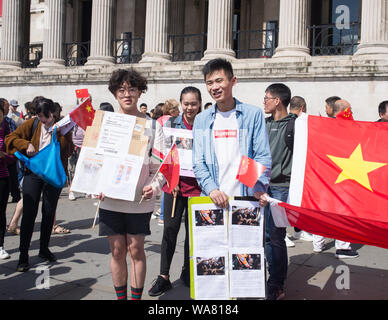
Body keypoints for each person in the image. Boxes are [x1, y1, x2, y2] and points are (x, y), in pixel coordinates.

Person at [192, 58, 271, 286]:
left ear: (232, 81)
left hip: (245, 200)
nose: (214, 87)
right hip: (214, 200)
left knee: (247, 260)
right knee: (214, 262)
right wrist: (212, 188)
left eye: (219, 80)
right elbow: (199, 162)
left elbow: (262, 155)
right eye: (209, 83)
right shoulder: (202, 119)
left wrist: (256, 188)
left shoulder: (252, 114)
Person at [98, 69, 164, 300]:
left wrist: (153, 187)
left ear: (140, 91)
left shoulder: (153, 126)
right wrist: (93, 185)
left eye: (132, 89)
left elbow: (161, 167)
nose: (127, 94)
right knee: (116, 250)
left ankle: (135, 298)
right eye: (121, 90)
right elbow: (95, 162)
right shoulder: (105, 123)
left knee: (136, 249)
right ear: (115, 93)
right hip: (111, 198)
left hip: (139, 198)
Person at [5, 97, 74, 272]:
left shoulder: (61, 127)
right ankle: (23, 255)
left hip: (53, 175)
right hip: (33, 173)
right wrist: (26, 144)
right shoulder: (33, 124)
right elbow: (10, 138)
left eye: (47, 116)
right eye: (41, 116)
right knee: (29, 213)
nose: (44, 120)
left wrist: (61, 134)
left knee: (49, 213)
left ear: (53, 113)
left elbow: (68, 152)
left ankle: (44, 249)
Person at [148, 86, 202, 296]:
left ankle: (188, 271)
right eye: (186, 104)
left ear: (199, 104)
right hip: (175, 187)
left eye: (193, 104)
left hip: (198, 189)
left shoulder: (205, 125)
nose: (190, 108)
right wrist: (172, 179)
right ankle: (164, 276)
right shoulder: (170, 125)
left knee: (193, 233)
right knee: (169, 230)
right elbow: (164, 156)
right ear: (181, 104)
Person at [261, 83, 297, 300]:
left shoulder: (294, 126)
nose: (264, 101)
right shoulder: (264, 124)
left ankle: (276, 283)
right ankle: (269, 277)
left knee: (276, 237)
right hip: (261, 188)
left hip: (281, 188)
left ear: (278, 101)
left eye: (267, 98)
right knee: (264, 237)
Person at [313, 99, 359, 259]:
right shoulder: (349, 127)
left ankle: (318, 243)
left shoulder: (323, 127)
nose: (352, 113)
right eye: (350, 110)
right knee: (343, 212)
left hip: (324, 177)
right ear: (344, 111)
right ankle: (343, 248)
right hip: (344, 176)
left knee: (322, 210)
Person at [286, 96, 313, 246]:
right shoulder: (298, 122)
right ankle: (283, 233)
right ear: (302, 107)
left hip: (290, 167)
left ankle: (298, 230)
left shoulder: (287, 120)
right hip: (291, 168)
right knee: (287, 201)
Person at [0, 99, 20, 203]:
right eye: (6, 107)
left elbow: (19, 125)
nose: (8, 109)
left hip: (8, 156)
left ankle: (15, 194)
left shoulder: (11, 119)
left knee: (13, 176)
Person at [0, 101, 12, 259]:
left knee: (1, 212)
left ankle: (0, 245)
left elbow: (12, 154)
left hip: (2, 175)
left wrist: (4, 156)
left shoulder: (5, 130)